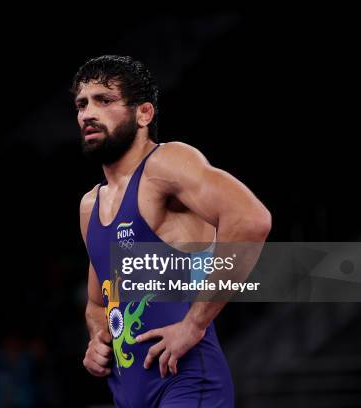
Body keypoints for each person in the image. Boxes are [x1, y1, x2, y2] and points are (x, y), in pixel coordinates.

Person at [75, 55, 271, 407]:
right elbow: (96, 302)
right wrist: (97, 338)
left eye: (104, 100)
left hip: (184, 381)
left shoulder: (166, 164)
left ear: (144, 113)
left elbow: (250, 220)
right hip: (127, 392)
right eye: (82, 103)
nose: (88, 113)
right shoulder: (90, 206)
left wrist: (194, 324)